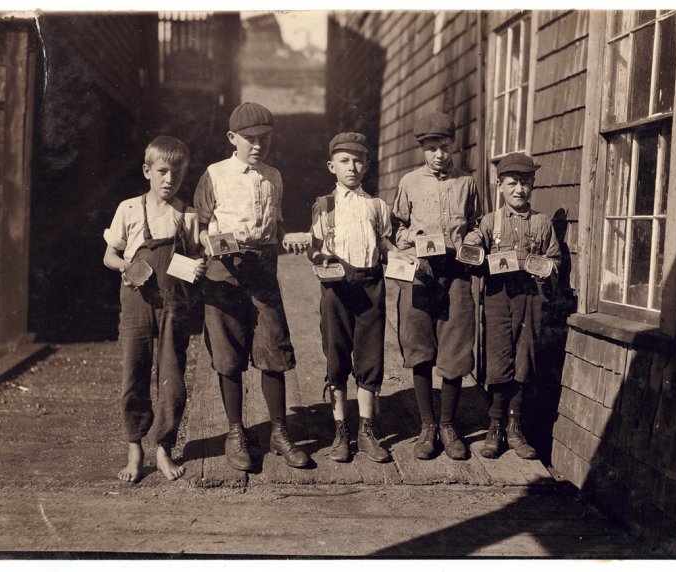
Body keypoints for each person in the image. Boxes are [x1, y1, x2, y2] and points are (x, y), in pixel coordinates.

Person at [193, 102, 311, 472]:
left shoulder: (273, 176)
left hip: (262, 271)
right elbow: (198, 224)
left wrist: (288, 237)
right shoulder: (214, 174)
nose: (257, 145)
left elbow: (274, 225)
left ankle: (279, 432)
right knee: (228, 356)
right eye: (249, 139)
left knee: (273, 350)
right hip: (223, 274)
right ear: (232, 139)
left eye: (264, 139)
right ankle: (235, 432)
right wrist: (209, 241)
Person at [103, 135, 206, 482]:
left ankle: (163, 447)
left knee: (172, 379)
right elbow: (109, 255)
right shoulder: (129, 209)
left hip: (174, 304)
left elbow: (194, 258)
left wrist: (199, 265)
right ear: (147, 171)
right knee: (134, 374)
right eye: (162, 171)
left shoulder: (188, 215)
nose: (169, 179)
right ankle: (135, 449)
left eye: (177, 173)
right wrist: (125, 267)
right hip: (136, 303)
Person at [391, 112, 481, 461]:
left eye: (444, 147)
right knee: (419, 346)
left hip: (456, 272)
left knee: (456, 347)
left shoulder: (467, 183)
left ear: (453, 145)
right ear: (422, 150)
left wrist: (471, 240)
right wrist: (410, 239)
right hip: (421, 272)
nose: (439, 155)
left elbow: (475, 224)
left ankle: (448, 424)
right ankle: (427, 426)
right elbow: (396, 227)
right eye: (431, 148)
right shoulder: (410, 182)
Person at [463, 152, 561, 460]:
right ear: (500, 185)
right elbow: (472, 245)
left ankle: (515, 428)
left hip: (530, 299)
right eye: (512, 183)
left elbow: (555, 261)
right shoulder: (491, 222)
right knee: (498, 359)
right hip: (497, 298)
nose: (519, 189)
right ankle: (494, 427)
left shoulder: (542, 223)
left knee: (524, 359)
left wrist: (545, 267)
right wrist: (473, 247)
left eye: (525, 183)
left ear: (533, 185)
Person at [307, 132, 393, 464]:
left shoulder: (377, 205)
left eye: (358, 161)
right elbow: (315, 248)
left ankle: (366, 431)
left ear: (367, 165)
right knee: (337, 354)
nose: (352, 167)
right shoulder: (325, 204)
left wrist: (403, 257)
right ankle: (341, 430)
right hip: (337, 286)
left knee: (370, 356)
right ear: (332, 166)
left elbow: (384, 244)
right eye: (344, 161)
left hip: (371, 282)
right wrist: (318, 260)